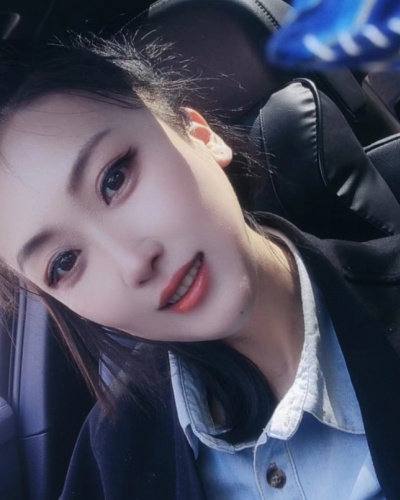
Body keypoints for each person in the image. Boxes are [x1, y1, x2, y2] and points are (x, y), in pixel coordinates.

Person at [0, 37, 399, 500]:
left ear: (200, 135)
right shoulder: (109, 460)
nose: (133, 263)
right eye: (64, 262)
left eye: (115, 179)